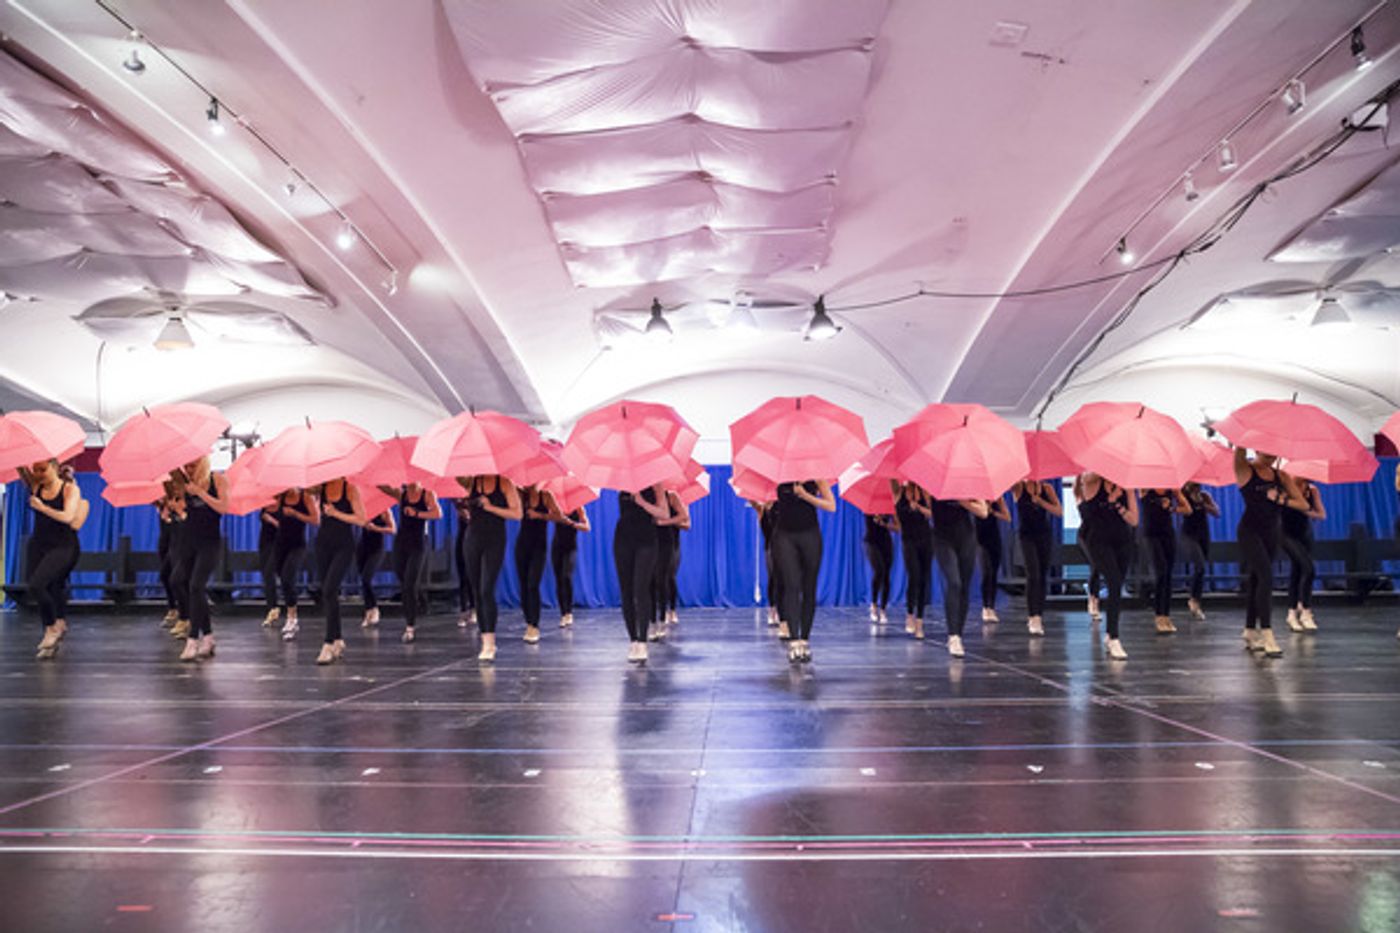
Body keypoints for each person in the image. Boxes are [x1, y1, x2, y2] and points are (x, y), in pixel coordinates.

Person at [1233, 448, 1305, 657]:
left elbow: (1302, 503)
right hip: (1249, 531)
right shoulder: (1245, 470)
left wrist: (1281, 500)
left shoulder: (1280, 475)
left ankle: (1249, 630)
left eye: (1274, 455)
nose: (1271, 459)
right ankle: (1267, 633)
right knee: (1266, 577)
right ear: (1256, 450)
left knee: (1257, 580)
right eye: (1266, 455)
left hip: (1272, 532)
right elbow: (1238, 452)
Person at [169, 456, 229, 662]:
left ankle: (193, 639)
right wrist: (177, 505)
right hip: (189, 541)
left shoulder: (217, 479)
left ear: (203, 462)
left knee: (196, 586)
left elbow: (223, 508)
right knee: (177, 581)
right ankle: (209, 635)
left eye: (193, 464)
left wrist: (201, 493)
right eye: (187, 465)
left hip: (209, 542)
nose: (189, 468)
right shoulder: (186, 483)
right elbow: (189, 514)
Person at [21, 459, 82, 660]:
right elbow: (21, 467)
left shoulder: (69, 489)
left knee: (39, 585)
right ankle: (58, 621)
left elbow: (68, 517)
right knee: (46, 586)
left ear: (54, 468)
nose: (39, 473)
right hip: (39, 544)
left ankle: (51, 627)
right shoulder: (36, 486)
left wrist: (42, 508)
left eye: (43, 469)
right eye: (35, 470)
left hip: (64, 546)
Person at [772, 479, 837, 663]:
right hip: (784, 535)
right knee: (791, 585)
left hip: (810, 535)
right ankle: (794, 641)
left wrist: (806, 495)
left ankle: (804, 640)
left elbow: (831, 506)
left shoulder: (816, 476)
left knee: (809, 588)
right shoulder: (780, 474)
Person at [1076, 473, 1139, 660]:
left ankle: (1110, 634)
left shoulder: (1126, 487)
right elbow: (1090, 511)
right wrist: (1110, 497)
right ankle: (1114, 638)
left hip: (1122, 540)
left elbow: (1134, 520)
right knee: (1113, 580)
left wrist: (1119, 505)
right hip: (1098, 540)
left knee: (1116, 586)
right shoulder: (1093, 481)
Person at [460, 474, 522, 662]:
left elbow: (517, 514)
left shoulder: (504, 482)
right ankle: (484, 636)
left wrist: (489, 506)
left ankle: (489, 642)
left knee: (487, 589)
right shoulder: (471, 481)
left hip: (494, 539)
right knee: (477, 590)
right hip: (472, 538)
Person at [615, 483, 671, 664]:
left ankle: (642, 640)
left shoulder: (657, 485)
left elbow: (664, 514)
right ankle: (633, 640)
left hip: (646, 539)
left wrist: (641, 502)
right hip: (623, 538)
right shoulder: (621, 481)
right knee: (626, 591)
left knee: (641, 589)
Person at [931, 495, 990, 658]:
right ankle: (953, 636)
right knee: (954, 582)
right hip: (942, 538)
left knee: (964, 586)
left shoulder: (969, 485)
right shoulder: (935, 484)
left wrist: (964, 503)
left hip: (966, 538)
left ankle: (958, 634)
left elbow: (984, 512)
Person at [314, 477, 366, 664]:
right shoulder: (320, 489)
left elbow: (361, 519)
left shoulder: (350, 489)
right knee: (328, 594)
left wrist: (336, 513)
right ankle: (338, 639)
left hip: (344, 545)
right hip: (322, 544)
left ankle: (328, 643)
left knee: (330, 588)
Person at [390, 481, 441, 644]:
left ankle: (410, 626)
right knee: (401, 577)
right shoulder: (402, 494)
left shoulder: (427, 493)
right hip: (401, 542)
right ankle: (417, 598)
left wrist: (417, 513)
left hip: (418, 542)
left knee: (409, 585)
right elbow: (385, 488)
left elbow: (438, 514)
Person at [1012, 478, 1061, 636]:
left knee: (1042, 576)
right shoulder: (1019, 487)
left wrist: (1040, 501)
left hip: (1044, 535)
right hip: (1027, 536)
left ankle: (1039, 613)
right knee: (1033, 575)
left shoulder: (1047, 488)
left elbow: (1058, 511)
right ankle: (1033, 616)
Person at [1141, 487, 1192, 634]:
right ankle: (1159, 616)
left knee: (1168, 575)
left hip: (1167, 534)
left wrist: (1172, 508)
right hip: (1151, 535)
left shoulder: (1172, 489)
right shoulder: (1145, 489)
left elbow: (1188, 509)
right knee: (1161, 572)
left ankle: (1167, 615)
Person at [1282, 475, 1325, 633]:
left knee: (1297, 570)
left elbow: (1321, 514)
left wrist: (1308, 512)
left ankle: (1292, 613)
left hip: (1304, 534)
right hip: (1285, 534)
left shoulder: (1312, 491)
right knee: (1309, 568)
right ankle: (1305, 609)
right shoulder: (1285, 488)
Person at [274, 488, 318, 640]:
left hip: (297, 545)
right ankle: (290, 612)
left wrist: (295, 514)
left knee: (288, 577)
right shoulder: (280, 496)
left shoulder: (304, 496)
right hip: (280, 544)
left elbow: (316, 519)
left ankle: (292, 617)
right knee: (282, 578)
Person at [895, 481, 933, 639]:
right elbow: (898, 515)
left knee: (924, 579)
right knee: (914, 576)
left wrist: (919, 507)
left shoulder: (925, 492)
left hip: (926, 539)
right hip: (909, 540)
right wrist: (909, 504)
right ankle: (909, 614)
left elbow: (932, 514)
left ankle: (920, 620)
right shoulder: (900, 492)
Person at [515, 485, 552, 645]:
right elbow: (514, 512)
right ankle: (528, 622)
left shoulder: (545, 496)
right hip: (522, 545)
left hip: (539, 546)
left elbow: (557, 515)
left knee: (532, 584)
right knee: (523, 585)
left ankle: (534, 625)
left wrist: (539, 515)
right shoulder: (521, 495)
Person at [1179, 482, 1220, 620]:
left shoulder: (1204, 496)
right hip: (1189, 535)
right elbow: (1183, 509)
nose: (1196, 487)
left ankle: (1196, 600)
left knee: (1201, 569)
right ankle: (1193, 599)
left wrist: (1205, 504)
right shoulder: (1182, 495)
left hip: (1203, 534)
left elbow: (1217, 513)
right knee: (1200, 565)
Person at [547, 496, 590, 627]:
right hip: (557, 546)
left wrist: (572, 523)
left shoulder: (578, 507)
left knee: (567, 576)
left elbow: (587, 527)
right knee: (558, 579)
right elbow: (548, 517)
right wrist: (557, 516)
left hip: (570, 547)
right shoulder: (555, 506)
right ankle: (563, 613)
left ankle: (569, 612)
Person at [654, 489, 690, 629]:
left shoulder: (674, 498)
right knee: (656, 578)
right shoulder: (654, 498)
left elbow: (687, 524)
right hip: (655, 543)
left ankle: (672, 610)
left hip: (672, 543)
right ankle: (658, 610)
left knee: (670, 576)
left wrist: (667, 522)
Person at [357, 506, 395, 627]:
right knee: (363, 580)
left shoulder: (384, 510)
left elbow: (392, 529)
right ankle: (368, 610)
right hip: (362, 547)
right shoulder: (363, 509)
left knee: (366, 578)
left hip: (377, 549)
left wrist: (376, 528)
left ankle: (374, 608)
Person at [976, 496, 1012, 622]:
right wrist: (984, 507)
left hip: (994, 538)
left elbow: (1007, 517)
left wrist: (994, 512)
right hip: (981, 539)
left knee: (993, 574)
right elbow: (979, 514)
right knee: (986, 572)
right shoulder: (975, 499)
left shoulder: (998, 498)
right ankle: (985, 607)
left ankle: (992, 607)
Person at [1073, 474, 1101, 621]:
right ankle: (1093, 599)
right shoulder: (1079, 496)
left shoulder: (1098, 494)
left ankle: (1095, 599)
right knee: (1094, 565)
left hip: (1098, 534)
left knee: (1098, 567)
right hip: (1084, 535)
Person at [157, 483, 183, 628]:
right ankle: (173, 608)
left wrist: (170, 516)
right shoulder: (161, 506)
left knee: (174, 577)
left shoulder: (177, 502)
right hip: (164, 543)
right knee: (166, 576)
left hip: (177, 543)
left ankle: (183, 613)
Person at [863, 511, 895, 624]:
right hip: (871, 542)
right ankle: (874, 604)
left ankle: (883, 609)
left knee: (886, 575)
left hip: (886, 542)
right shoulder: (868, 507)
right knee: (879, 570)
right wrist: (876, 517)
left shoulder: (889, 506)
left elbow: (897, 527)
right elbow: (868, 522)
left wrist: (886, 524)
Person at [257, 502, 281, 626]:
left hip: (279, 542)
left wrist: (271, 520)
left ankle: (277, 608)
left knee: (269, 572)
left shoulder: (284, 505)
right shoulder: (265, 503)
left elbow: (288, 526)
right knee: (267, 575)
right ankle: (272, 608)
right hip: (265, 542)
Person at [453, 497, 475, 629]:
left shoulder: (478, 499)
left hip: (475, 537)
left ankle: (474, 608)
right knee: (462, 576)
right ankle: (463, 610)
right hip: (462, 539)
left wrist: (471, 515)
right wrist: (459, 510)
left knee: (472, 576)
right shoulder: (459, 501)